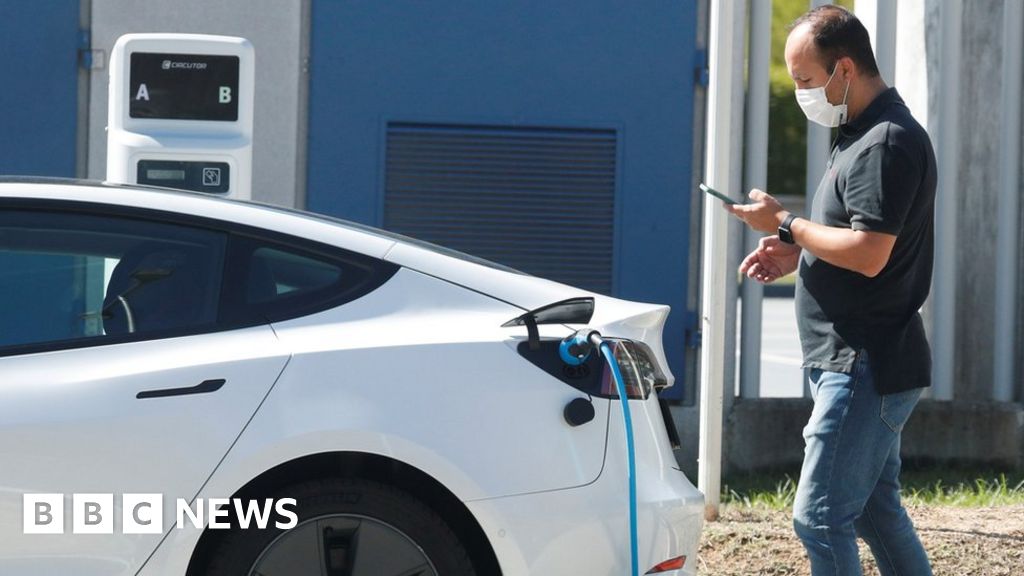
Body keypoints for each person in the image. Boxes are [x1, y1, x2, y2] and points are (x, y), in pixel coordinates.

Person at [725, 5, 936, 575]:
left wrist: (787, 225)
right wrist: (800, 251)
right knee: (873, 511)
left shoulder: (883, 142)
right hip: (864, 359)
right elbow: (860, 241)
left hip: (862, 361)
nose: (801, 93)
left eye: (805, 80)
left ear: (844, 68)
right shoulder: (865, 131)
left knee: (818, 519)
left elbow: (870, 253)